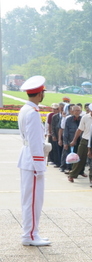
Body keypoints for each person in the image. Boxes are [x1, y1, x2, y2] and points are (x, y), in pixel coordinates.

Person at [17, 76, 50, 246]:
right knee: (33, 201)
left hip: (27, 157)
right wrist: (40, 165)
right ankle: (30, 235)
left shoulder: (25, 109)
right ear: (39, 94)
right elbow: (35, 142)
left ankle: (32, 232)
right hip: (32, 161)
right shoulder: (33, 112)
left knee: (30, 200)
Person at [68, 102, 92, 183]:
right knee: (79, 159)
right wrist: (74, 140)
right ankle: (72, 175)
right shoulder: (85, 117)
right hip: (85, 140)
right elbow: (79, 130)